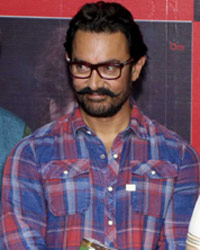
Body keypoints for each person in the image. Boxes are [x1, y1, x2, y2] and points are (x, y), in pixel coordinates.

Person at [1, 1, 200, 249]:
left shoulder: (179, 158)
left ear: (136, 68)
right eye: (82, 66)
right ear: (68, 62)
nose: (94, 83)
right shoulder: (30, 155)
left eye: (109, 68)